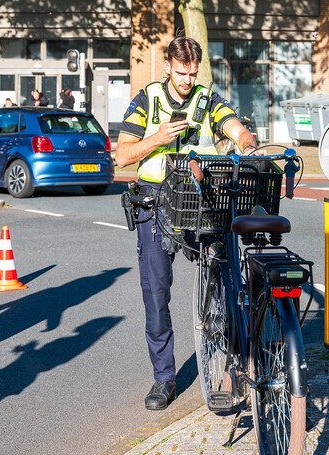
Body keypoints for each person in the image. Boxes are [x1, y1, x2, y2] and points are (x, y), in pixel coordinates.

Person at [115, 36, 259, 411]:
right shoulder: (146, 100)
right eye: (181, 73)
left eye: (193, 72)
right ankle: (164, 378)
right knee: (156, 293)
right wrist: (157, 138)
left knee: (227, 277)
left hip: (201, 198)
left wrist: (245, 139)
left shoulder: (205, 97)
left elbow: (230, 123)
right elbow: (123, 155)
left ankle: (233, 362)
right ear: (167, 66)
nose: (187, 80)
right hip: (158, 201)